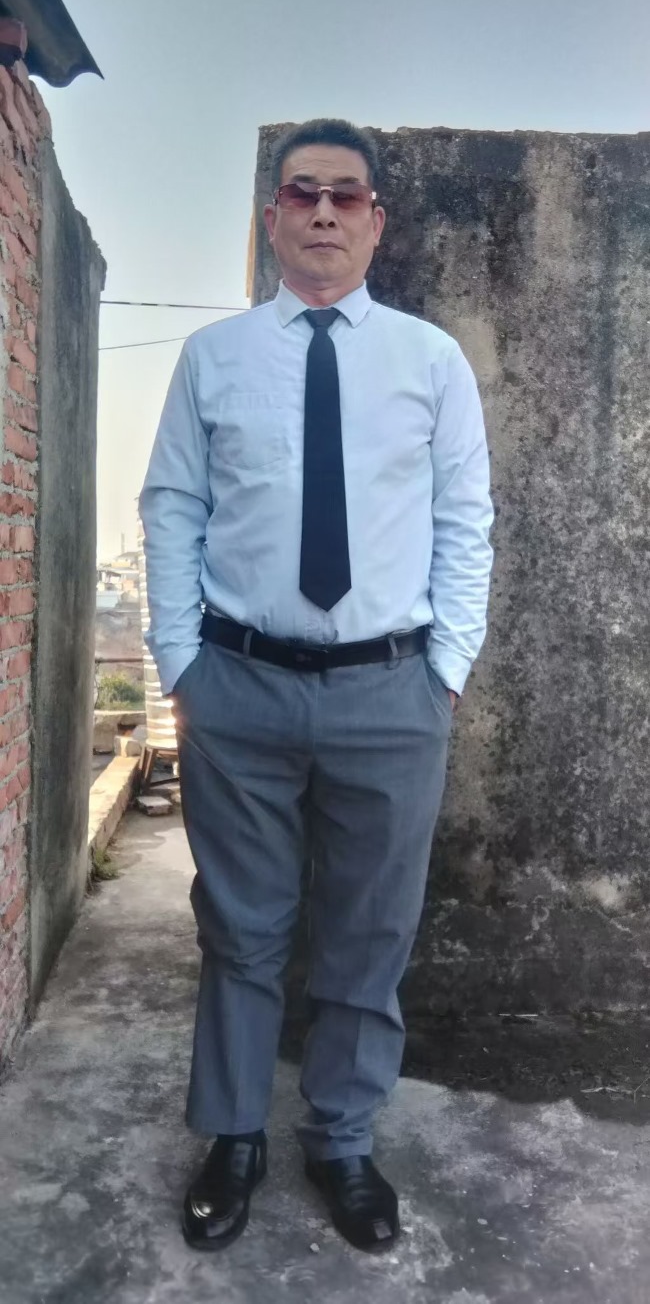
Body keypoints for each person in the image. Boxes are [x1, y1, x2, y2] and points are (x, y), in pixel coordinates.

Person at [139, 117, 493, 1256]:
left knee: (368, 930)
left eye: (346, 195)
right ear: (273, 218)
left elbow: (464, 520)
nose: (325, 212)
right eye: (304, 193)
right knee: (241, 927)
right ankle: (233, 1134)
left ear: (376, 221)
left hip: (389, 693)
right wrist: (182, 661)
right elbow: (173, 505)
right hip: (239, 687)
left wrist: (444, 669)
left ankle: (341, 1138)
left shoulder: (429, 362)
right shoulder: (215, 358)